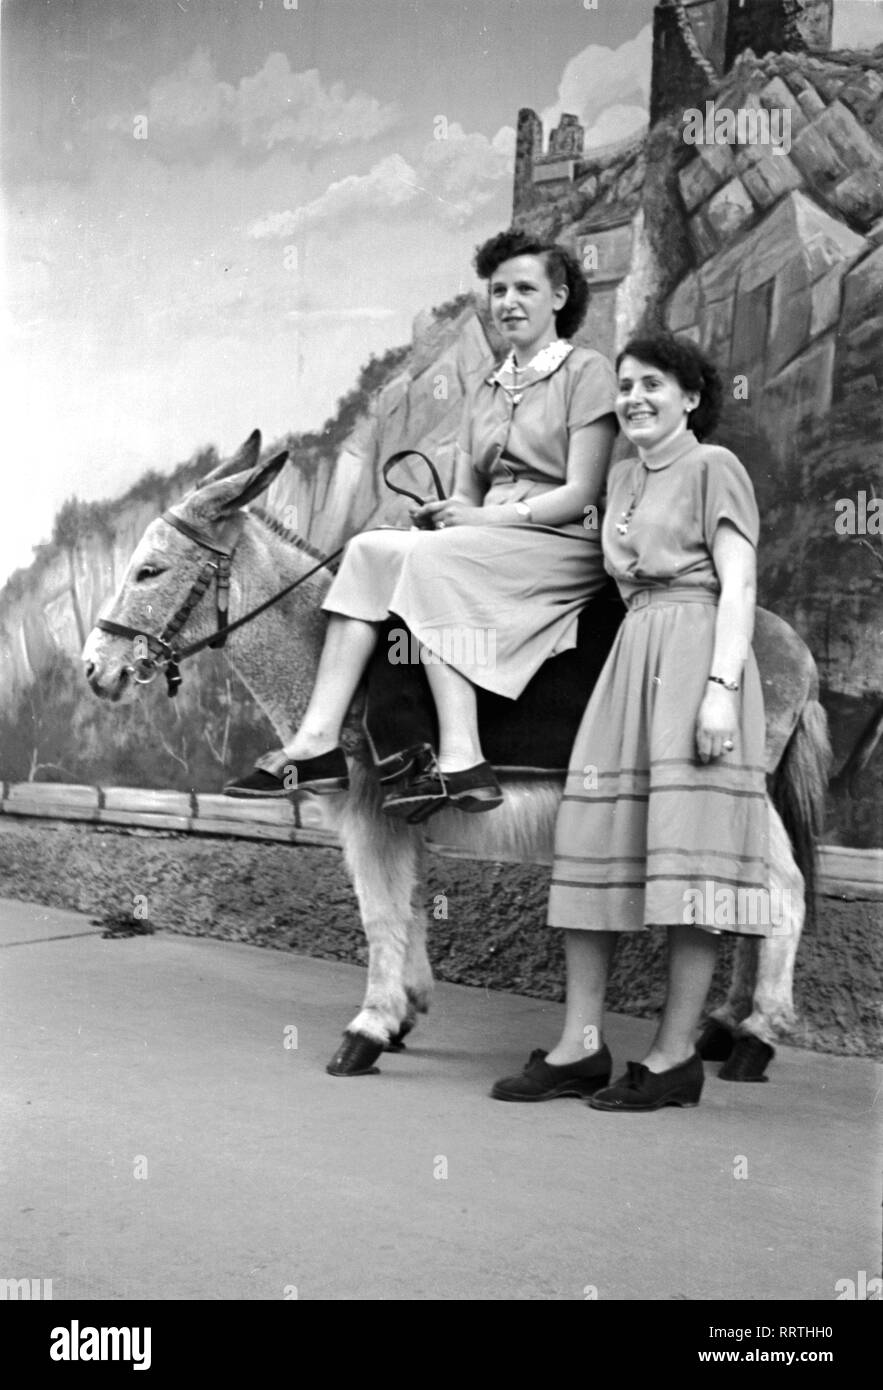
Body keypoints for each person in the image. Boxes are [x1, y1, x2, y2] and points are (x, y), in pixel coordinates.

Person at [224, 229, 618, 817]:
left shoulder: (588, 372)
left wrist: (480, 519)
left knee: (429, 562)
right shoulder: (486, 390)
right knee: (368, 550)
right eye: (499, 289)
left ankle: (462, 755)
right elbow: (464, 492)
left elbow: (584, 493)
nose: (507, 302)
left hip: (563, 541)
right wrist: (444, 516)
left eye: (525, 289)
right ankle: (316, 743)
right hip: (488, 537)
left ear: (559, 298)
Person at [491, 332, 770, 1111]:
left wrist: (718, 690)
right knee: (593, 847)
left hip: (695, 654)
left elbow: (739, 584)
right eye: (624, 385)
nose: (635, 397)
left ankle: (674, 1057)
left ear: (689, 397)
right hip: (629, 660)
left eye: (653, 383)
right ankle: (579, 1045)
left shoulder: (715, 467)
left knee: (689, 865)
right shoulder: (617, 477)